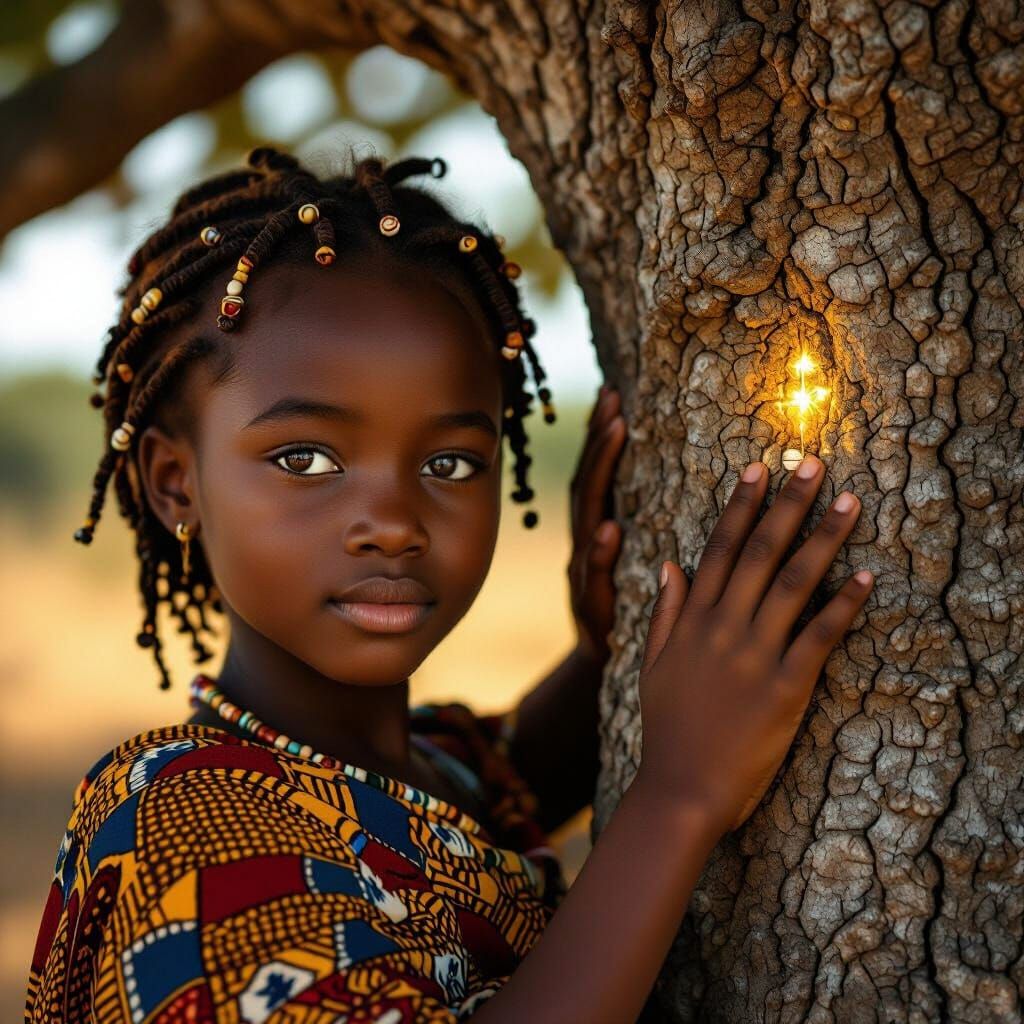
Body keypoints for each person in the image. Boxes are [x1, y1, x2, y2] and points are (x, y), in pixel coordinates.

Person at [24, 145, 872, 1024]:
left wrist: (608, 653)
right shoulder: (180, 822)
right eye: (305, 459)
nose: (393, 520)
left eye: (448, 460)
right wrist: (678, 799)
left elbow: (480, 792)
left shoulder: (438, 771)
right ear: (175, 483)